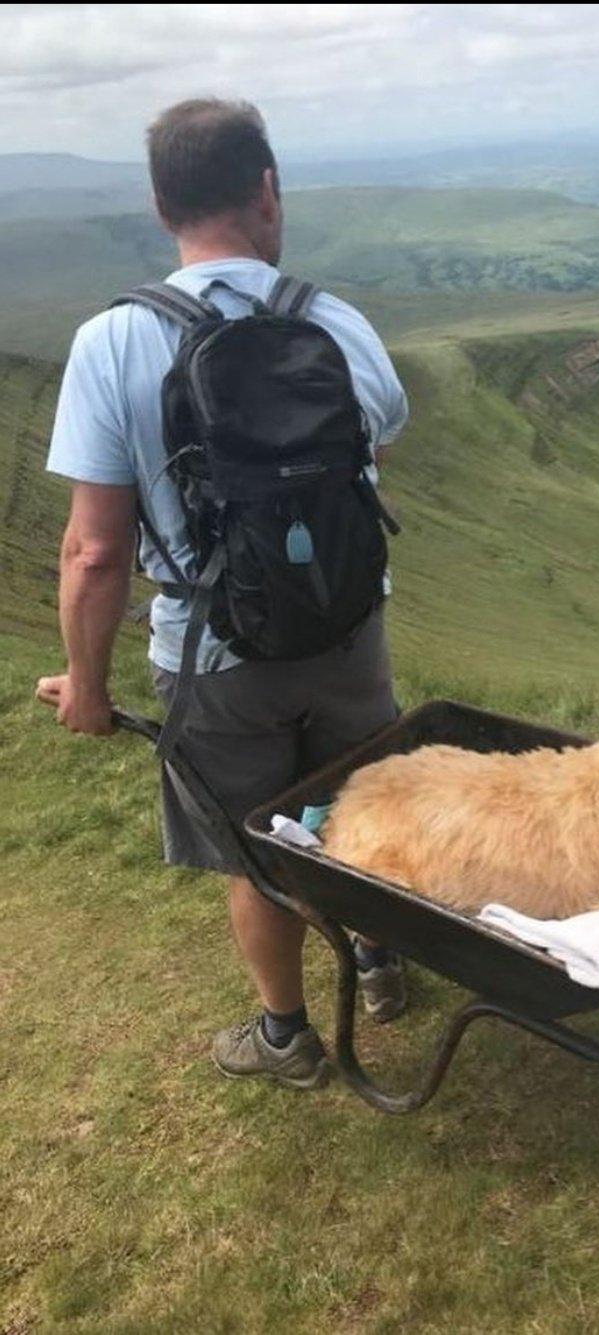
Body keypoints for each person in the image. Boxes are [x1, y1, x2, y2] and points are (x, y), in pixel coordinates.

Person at [35, 98, 409, 1090]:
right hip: (345, 628)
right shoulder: (332, 320)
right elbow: (374, 444)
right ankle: (378, 955)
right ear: (268, 192)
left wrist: (85, 683)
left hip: (213, 659)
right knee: (365, 802)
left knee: (259, 852)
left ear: (163, 209)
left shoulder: (111, 343)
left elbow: (95, 553)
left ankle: (286, 1037)